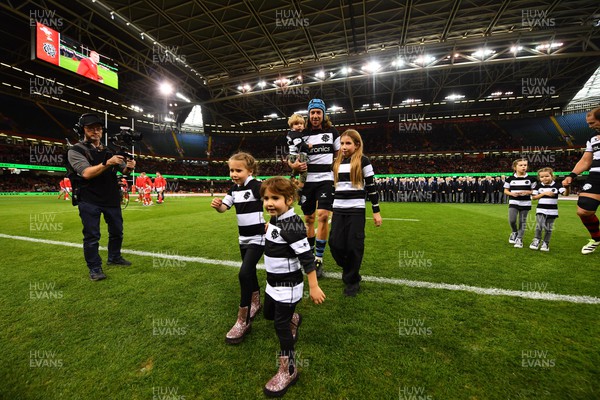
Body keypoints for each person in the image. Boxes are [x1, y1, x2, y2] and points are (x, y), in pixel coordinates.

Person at [259, 176, 326, 397]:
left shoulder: (293, 225)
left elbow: (307, 258)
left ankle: (289, 369)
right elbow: (277, 234)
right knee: (268, 315)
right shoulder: (277, 219)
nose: (269, 202)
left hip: (287, 286)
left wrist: (314, 287)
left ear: (289, 199)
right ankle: (293, 318)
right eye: (266, 198)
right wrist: (270, 226)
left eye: (275, 198)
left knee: (280, 327)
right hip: (272, 284)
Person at [66, 113, 135, 281]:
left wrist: (129, 168)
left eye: (98, 128)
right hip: (89, 199)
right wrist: (107, 163)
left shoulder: (109, 151)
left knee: (117, 232)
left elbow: (123, 170)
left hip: (111, 198)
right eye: (90, 128)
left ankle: (114, 257)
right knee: (92, 236)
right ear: (82, 130)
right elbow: (87, 173)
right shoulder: (75, 150)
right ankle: (95, 268)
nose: (95, 131)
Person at [210, 152, 264, 344]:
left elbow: (273, 201)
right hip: (243, 239)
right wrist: (218, 206)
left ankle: (243, 319)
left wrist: (272, 223)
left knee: (243, 273)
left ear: (250, 170)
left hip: (258, 238)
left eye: (238, 170)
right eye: (231, 170)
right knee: (249, 273)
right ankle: (256, 302)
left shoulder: (258, 186)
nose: (234, 173)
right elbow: (225, 207)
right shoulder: (233, 190)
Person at [288, 99, 339, 278]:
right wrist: (294, 167)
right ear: (308, 115)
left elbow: (339, 155)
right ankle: (309, 256)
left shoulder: (332, 132)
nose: (315, 115)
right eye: (312, 112)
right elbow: (290, 156)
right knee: (309, 218)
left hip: (325, 178)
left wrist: (338, 174)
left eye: (318, 112)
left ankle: (318, 258)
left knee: (323, 215)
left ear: (323, 114)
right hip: (307, 181)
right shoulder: (302, 132)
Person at [330, 130, 382, 296]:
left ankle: (352, 280)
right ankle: (350, 268)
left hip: (356, 210)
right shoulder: (336, 162)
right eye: (342, 143)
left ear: (357, 145)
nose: (344, 147)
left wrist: (376, 211)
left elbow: (372, 188)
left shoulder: (364, 161)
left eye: (348, 143)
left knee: (354, 246)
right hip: (338, 209)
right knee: (335, 244)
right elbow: (333, 188)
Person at [562, 107, 600, 254]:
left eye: (592, 123)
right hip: (596, 176)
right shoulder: (592, 137)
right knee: (584, 210)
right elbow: (585, 160)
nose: (590, 126)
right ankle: (596, 239)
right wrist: (572, 175)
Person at [530, 168, 566, 251]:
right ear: (539, 178)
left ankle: (545, 243)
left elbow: (565, 194)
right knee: (540, 225)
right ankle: (536, 240)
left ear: (552, 176)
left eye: (547, 176)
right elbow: (534, 198)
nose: (544, 178)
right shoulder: (538, 186)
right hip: (541, 209)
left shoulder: (557, 185)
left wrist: (567, 187)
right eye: (542, 177)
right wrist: (544, 193)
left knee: (548, 228)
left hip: (552, 210)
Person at [504, 158, 533, 248]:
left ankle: (519, 239)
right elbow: (506, 190)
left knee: (522, 221)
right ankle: (514, 232)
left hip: (526, 203)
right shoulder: (510, 179)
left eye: (525, 165)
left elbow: (535, 190)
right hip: (513, 201)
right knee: (512, 220)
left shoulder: (531, 179)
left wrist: (528, 192)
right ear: (515, 167)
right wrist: (511, 193)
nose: (523, 167)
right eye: (521, 165)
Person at [285, 114, 311, 194]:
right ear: (291, 126)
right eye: (296, 124)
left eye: (301, 124)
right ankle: (300, 188)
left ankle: (291, 180)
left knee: (296, 171)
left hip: (293, 155)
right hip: (297, 155)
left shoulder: (294, 133)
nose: (299, 126)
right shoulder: (295, 134)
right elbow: (300, 145)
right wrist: (308, 146)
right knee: (304, 172)